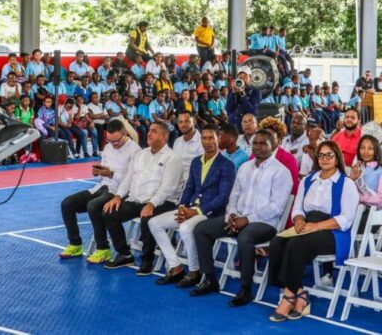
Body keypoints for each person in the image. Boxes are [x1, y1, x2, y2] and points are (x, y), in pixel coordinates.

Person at [190, 129, 293, 304]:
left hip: (264, 223)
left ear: (274, 145)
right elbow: (234, 196)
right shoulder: (245, 167)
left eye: (263, 144)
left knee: (245, 237)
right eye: (255, 143)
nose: (258, 147)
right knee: (201, 229)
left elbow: (276, 207)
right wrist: (232, 215)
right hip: (238, 218)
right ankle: (210, 279)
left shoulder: (281, 172)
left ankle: (245, 289)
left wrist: (247, 219)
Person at [267, 141, 359, 322]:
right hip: (307, 225)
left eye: (329, 155)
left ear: (337, 158)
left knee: (296, 244)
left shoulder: (346, 183)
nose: (324, 159)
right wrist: (299, 219)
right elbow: (298, 207)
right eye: (321, 155)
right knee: (277, 242)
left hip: (333, 231)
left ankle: (288, 297)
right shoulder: (308, 180)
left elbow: (346, 218)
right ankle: (299, 292)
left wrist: (316, 226)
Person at [149, 125, 235, 287]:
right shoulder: (196, 162)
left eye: (211, 138)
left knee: (185, 228)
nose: (207, 142)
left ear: (218, 140)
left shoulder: (226, 165)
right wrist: (182, 206)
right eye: (204, 138)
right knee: (154, 223)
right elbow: (188, 188)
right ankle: (176, 267)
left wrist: (195, 211)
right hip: (189, 209)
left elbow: (223, 197)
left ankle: (194, 271)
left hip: (209, 213)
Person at [101, 122, 182, 273]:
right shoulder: (141, 154)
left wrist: (151, 204)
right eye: (149, 131)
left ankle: (147, 260)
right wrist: (118, 196)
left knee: (148, 219)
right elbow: (128, 179)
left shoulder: (173, 158)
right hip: (136, 200)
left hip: (162, 202)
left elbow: (168, 188)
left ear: (164, 136)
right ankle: (125, 254)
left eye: (154, 131)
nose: (149, 134)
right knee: (109, 213)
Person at [59, 120, 140, 262]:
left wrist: (111, 174)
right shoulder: (108, 147)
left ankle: (103, 249)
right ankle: (75, 244)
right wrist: (98, 171)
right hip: (102, 187)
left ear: (124, 134)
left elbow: (132, 180)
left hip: (120, 191)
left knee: (93, 206)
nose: (113, 144)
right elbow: (105, 168)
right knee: (67, 204)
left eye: (116, 140)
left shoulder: (135, 151)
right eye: (110, 140)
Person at [349, 133, 382, 213]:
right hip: (353, 209)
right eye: (362, 148)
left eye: (370, 148)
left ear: (376, 150)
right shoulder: (356, 169)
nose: (365, 152)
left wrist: (358, 197)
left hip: (372, 214)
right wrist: (351, 179)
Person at [225, 66, 261, 133]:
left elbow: (252, 111)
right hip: (233, 128)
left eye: (245, 77)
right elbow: (228, 109)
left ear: (250, 78)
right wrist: (233, 93)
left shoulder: (255, 92)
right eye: (240, 77)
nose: (242, 79)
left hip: (246, 129)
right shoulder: (233, 91)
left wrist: (242, 95)